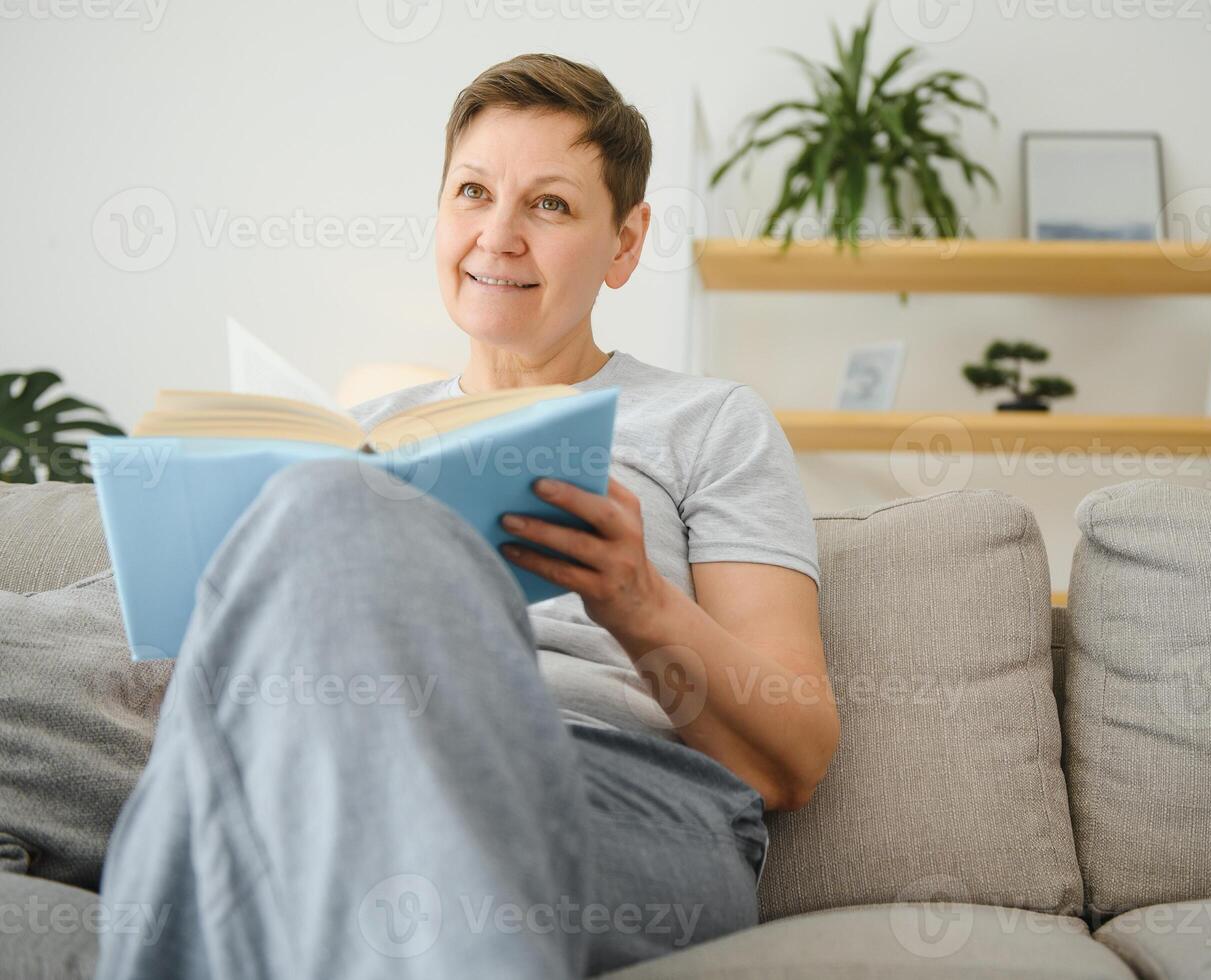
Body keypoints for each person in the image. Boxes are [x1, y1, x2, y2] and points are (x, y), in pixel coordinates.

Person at [96, 53, 839, 978]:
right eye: (473, 192)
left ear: (626, 242)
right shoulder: (350, 439)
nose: (498, 235)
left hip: (614, 791)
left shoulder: (709, 422)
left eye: (551, 205)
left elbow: (794, 756)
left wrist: (638, 601)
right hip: (334, 757)